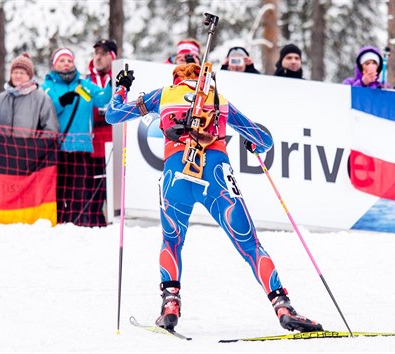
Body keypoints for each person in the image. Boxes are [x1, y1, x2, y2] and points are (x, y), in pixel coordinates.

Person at [105, 63, 323, 333]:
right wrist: (252, 142)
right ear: (203, 78)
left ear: (177, 78)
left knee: (172, 240)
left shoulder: (163, 94)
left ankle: (170, 304)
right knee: (251, 245)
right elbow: (263, 139)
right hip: (216, 175)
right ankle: (283, 306)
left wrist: (122, 88)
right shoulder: (218, 99)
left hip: (176, 176)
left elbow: (113, 115)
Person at [42, 47, 112, 226]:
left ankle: (78, 226)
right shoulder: (47, 87)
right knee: (58, 191)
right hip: (56, 149)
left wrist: (115, 84)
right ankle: (57, 224)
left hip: (81, 149)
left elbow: (103, 99)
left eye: (69, 60)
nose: (66, 64)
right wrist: (61, 102)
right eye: (62, 60)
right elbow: (44, 112)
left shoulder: (84, 85)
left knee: (79, 192)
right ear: (54, 64)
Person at [86, 39, 118, 227]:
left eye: (103, 53)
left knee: (114, 189)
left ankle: (115, 221)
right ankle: (94, 224)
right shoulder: (87, 80)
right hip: (94, 143)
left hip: (115, 141)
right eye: (96, 53)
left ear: (112, 57)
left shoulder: (121, 78)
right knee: (94, 188)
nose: (98, 57)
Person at [0, 53, 59, 136]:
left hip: (30, 148)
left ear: (30, 76)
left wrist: (35, 146)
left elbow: (51, 130)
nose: (18, 76)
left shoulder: (41, 99)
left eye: (22, 73)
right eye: (15, 72)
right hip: (3, 148)